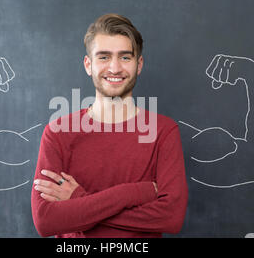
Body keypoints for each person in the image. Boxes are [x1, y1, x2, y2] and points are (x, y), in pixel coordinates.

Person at [31, 13, 188, 238]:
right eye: (104, 57)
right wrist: (136, 192)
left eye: (125, 57)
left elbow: (171, 218)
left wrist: (78, 204)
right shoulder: (58, 133)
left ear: (139, 64)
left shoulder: (163, 132)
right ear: (88, 65)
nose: (114, 68)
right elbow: (46, 221)